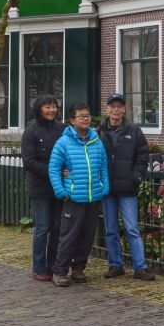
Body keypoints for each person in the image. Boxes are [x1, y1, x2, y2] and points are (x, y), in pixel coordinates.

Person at [47, 102, 109, 287]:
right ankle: (60, 271)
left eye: (88, 116)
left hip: (93, 197)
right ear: (72, 120)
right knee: (68, 236)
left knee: (87, 237)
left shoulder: (96, 141)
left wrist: (104, 187)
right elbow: (54, 168)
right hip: (74, 198)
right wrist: (61, 192)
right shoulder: (64, 142)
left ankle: (79, 268)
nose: (86, 119)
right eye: (81, 116)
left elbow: (103, 166)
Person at [98, 93, 155, 281]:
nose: (116, 110)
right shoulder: (99, 132)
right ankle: (116, 265)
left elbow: (143, 155)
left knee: (132, 228)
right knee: (111, 229)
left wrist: (136, 176)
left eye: (119, 106)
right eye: (112, 106)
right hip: (107, 188)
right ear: (107, 109)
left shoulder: (134, 130)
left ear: (124, 109)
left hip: (127, 188)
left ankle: (140, 267)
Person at [20, 94, 65, 282]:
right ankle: (38, 267)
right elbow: (29, 162)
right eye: (47, 107)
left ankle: (52, 265)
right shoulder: (31, 132)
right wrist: (53, 172)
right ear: (39, 109)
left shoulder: (63, 129)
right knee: (42, 227)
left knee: (57, 228)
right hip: (40, 187)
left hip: (59, 187)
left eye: (54, 106)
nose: (52, 110)